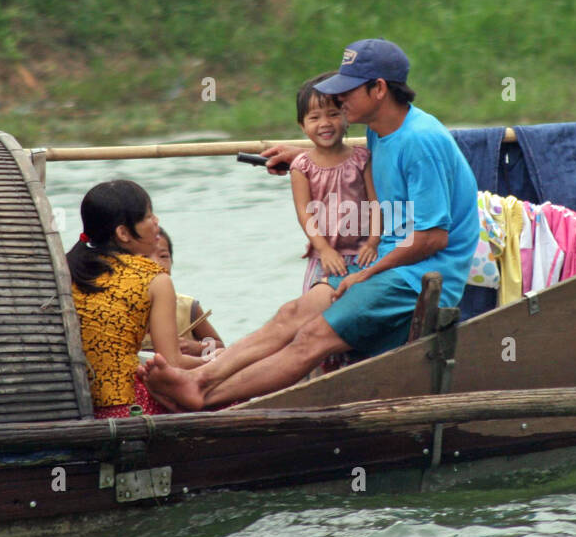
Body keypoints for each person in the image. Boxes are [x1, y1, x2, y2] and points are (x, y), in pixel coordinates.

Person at [145, 39, 479, 411]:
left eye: (348, 91)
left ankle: (204, 398)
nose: (341, 102)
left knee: (312, 336)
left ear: (379, 89)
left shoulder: (421, 141)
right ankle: (198, 378)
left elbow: (432, 238)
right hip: (388, 266)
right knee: (292, 314)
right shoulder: (380, 129)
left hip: (415, 275)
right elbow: (349, 158)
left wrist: (366, 275)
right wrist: (304, 157)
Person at [67, 180, 204, 419]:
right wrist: (218, 362)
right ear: (123, 233)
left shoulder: (67, 267)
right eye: (148, 216)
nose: (156, 222)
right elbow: (171, 363)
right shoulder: (153, 278)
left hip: (76, 404)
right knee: (232, 395)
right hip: (128, 407)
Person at [290, 71, 381, 294]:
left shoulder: (362, 159)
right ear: (302, 125)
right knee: (314, 310)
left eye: (332, 114)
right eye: (314, 118)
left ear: (345, 116)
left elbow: (375, 204)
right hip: (324, 256)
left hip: (362, 253)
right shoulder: (301, 166)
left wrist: (373, 242)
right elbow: (304, 213)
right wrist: (323, 249)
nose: (324, 124)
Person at [141, 227, 225, 356]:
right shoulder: (117, 309)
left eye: (164, 256)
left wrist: (197, 347)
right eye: (144, 257)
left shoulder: (187, 308)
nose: (155, 263)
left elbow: (218, 346)